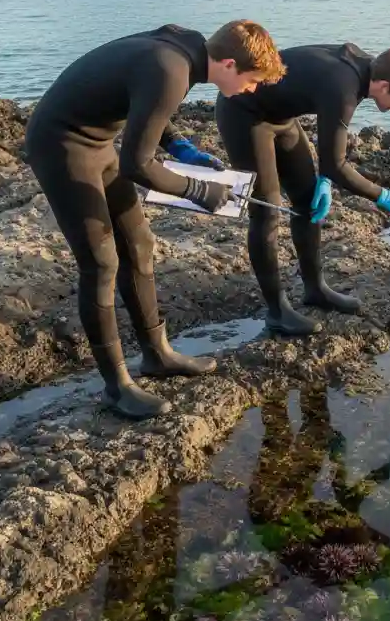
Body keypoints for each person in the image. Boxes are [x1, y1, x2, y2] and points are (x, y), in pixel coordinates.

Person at [25, 21, 286, 420]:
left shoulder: (187, 51)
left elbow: (145, 99)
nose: (252, 90)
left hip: (97, 142)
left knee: (139, 244)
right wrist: (200, 191)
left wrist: (179, 145)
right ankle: (117, 387)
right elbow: (137, 165)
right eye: (252, 81)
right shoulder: (172, 68)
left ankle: (157, 355)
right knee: (101, 263)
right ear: (230, 64)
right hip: (59, 145)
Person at [216, 42, 390, 337]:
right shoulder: (344, 87)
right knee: (266, 211)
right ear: (383, 86)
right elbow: (336, 165)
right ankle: (277, 312)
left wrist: (325, 180)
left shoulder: (370, 70)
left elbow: (331, 151)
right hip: (243, 113)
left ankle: (315, 289)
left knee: (308, 200)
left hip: (282, 117)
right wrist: (384, 195)